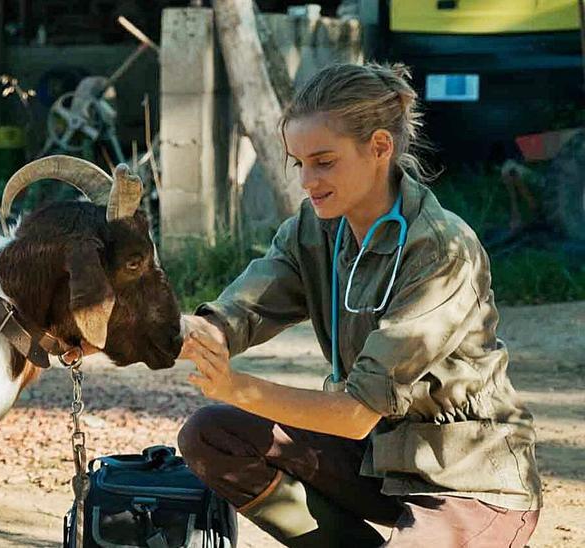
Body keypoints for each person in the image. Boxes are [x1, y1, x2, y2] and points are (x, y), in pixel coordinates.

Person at [174, 63, 542, 547]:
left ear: (380, 148)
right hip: (376, 460)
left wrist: (236, 386)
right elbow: (232, 318)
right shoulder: (315, 229)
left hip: (470, 482)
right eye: (298, 163)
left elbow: (354, 413)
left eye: (324, 162)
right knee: (211, 435)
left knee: (238, 410)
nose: (307, 180)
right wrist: (115, 326)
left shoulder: (441, 249)